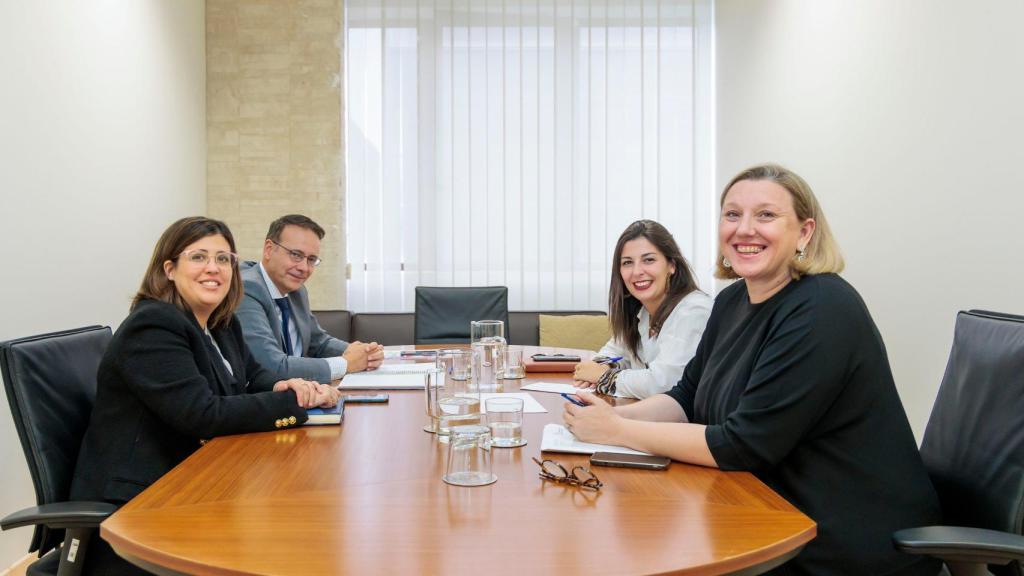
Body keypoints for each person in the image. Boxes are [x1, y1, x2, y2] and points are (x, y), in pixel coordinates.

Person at [563, 165, 941, 575]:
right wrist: (611, 416)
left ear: (805, 232)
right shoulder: (731, 302)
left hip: (838, 540)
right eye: (732, 214)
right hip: (764, 509)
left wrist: (618, 432)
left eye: (766, 215)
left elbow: (743, 445)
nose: (745, 229)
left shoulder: (822, 309)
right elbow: (685, 397)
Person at [70, 217, 339, 575]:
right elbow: (203, 414)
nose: (214, 268)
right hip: (141, 505)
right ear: (169, 269)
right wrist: (295, 404)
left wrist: (284, 386)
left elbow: (253, 377)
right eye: (198, 257)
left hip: (195, 482)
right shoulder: (153, 327)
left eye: (224, 259)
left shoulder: (220, 322)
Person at [572, 220, 711, 399]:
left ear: (672, 265)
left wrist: (603, 377)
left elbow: (663, 382)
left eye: (649, 260)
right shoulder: (643, 311)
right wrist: (603, 366)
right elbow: (614, 352)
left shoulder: (693, 310)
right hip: (650, 418)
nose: (637, 271)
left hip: (688, 423)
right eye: (627, 263)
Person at [237, 214, 383, 384]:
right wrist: (346, 363)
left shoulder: (297, 291)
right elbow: (271, 367)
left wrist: (361, 352)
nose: (303, 268)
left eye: (311, 259)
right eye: (296, 255)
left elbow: (318, 342)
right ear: (269, 249)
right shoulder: (246, 289)